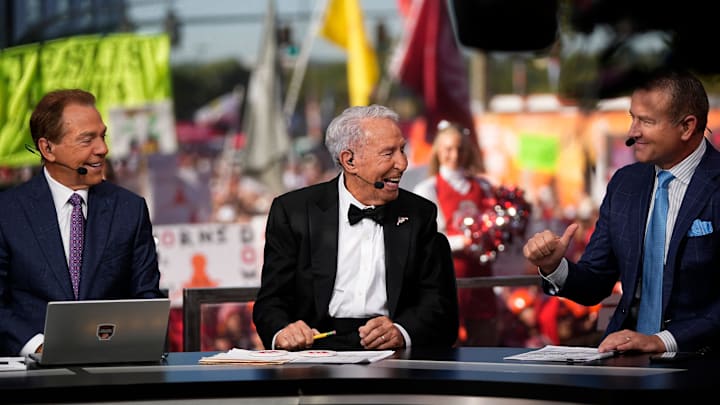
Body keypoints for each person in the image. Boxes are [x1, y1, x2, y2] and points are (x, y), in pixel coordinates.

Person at [523, 69, 720, 354]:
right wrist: (555, 267)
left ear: (687, 127)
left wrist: (660, 341)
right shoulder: (625, 184)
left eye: (646, 121)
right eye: (632, 118)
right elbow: (595, 282)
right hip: (623, 357)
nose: (632, 132)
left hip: (703, 364)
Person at [252, 105, 459, 351]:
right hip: (314, 355)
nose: (402, 164)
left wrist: (401, 332)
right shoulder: (294, 212)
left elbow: (439, 307)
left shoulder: (420, 214)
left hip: (392, 358)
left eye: (402, 150)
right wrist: (283, 332)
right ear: (349, 161)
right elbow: (270, 303)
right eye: (388, 153)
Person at [0, 89, 163, 356]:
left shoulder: (129, 209)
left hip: (113, 369)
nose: (103, 149)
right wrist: (39, 348)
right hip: (28, 379)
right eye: (87, 140)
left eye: (103, 136)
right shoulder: (7, 213)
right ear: (47, 148)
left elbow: (146, 297)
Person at [412, 120, 499, 346]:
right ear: (438, 151)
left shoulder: (484, 186)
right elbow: (428, 241)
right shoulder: (428, 189)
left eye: (460, 148)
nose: (455, 154)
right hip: (448, 279)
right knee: (448, 347)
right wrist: (464, 241)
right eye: (448, 148)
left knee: (485, 345)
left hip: (481, 278)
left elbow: (497, 228)